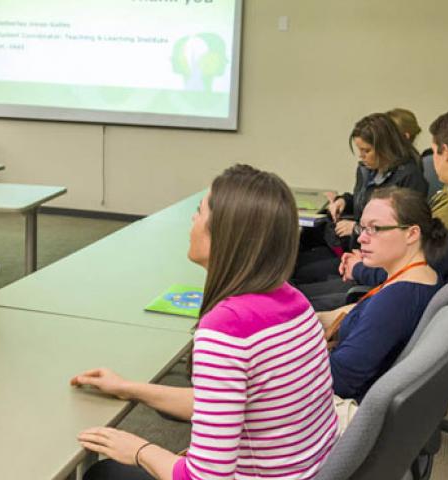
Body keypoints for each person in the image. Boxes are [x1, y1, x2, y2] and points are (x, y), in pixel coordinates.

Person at [72, 165, 339, 480]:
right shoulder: (294, 302)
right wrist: (129, 388)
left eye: (199, 213)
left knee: (104, 474)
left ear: (225, 235)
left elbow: (206, 478)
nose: (192, 222)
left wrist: (140, 450)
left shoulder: (228, 330)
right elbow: (221, 404)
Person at [342, 106, 448, 288]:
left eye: (434, 151)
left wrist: (358, 268)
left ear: (445, 153)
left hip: (394, 290)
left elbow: (416, 273)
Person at [319, 187, 447, 400]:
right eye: (362, 229)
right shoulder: (421, 275)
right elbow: (362, 312)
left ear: (412, 234)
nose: (361, 239)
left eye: (375, 228)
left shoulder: (397, 300)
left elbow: (339, 380)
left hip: (345, 405)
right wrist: (314, 319)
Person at [292, 113, 427, 284]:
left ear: (385, 148)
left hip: (377, 261)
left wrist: (356, 228)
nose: (361, 156)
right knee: (298, 259)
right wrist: (344, 201)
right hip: (356, 248)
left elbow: (399, 231)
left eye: (366, 151)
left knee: (303, 273)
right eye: (360, 150)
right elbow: (362, 199)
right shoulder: (367, 169)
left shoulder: (410, 177)